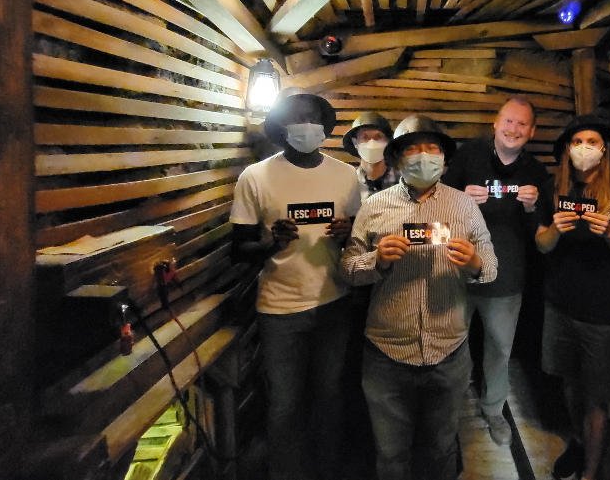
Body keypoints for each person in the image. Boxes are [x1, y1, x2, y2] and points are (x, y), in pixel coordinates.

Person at [341, 114, 498, 480]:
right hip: (386, 354)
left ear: (444, 159)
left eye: (432, 149)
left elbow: (490, 266)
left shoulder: (464, 206)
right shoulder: (375, 207)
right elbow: (347, 269)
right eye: (413, 148)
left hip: (449, 352)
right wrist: (375, 261)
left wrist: (474, 263)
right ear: (397, 158)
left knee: (442, 448)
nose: (423, 156)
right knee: (391, 454)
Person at [230, 92, 361, 480]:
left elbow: (361, 240)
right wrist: (270, 243)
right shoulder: (255, 177)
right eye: (296, 117)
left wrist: (347, 233)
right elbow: (238, 250)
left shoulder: (345, 175)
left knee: (330, 396)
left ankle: (328, 469)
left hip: (333, 301)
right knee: (285, 404)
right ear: (282, 127)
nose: (306, 123)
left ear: (324, 125)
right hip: (279, 309)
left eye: (313, 117)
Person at [534, 115, 610, 480]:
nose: (585, 147)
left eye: (593, 142)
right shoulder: (553, 188)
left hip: (603, 313)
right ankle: (581, 443)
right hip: (560, 305)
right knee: (570, 382)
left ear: (605, 150)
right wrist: (555, 228)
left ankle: (590, 472)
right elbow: (541, 243)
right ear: (568, 149)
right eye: (578, 141)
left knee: (597, 397)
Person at [442, 98, 549, 445]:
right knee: (451, 347)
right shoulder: (469, 155)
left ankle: (493, 411)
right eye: (508, 121)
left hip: (507, 276)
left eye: (522, 124)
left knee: (500, 350)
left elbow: (544, 232)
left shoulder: (535, 171)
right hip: (459, 271)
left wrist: (534, 208)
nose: (513, 129)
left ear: (531, 131)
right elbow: (437, 204)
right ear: (495, 123)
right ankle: (448, 416)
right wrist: (460, 197)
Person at [343, 111, 399, 202]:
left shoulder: (402, 181)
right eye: (365, 137)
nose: (371, 142)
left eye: (378, 137)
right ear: (355, 143)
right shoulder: (349, 185)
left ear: (388, 142)